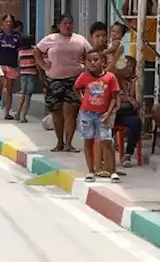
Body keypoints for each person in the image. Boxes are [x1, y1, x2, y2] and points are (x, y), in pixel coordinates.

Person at [36, 13, 94, 152]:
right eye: (65, 23)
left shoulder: (80, 40)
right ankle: (59, 142)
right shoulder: (50, 39)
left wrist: (87, 70)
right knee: (56, 112)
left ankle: (69, 143)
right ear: (58, 25)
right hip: (54, 80)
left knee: (71, 112)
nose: (67, 26)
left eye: (70, 23)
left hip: (74, 81)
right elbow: (37, 51)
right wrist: (43, 66)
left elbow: (90, 54)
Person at [75, 52, 122, 182]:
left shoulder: (110, 77)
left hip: (103, 115)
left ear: (103, 61)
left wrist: (109, 112)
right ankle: (91, 171)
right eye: (89, 61)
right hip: (86, 114)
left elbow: (114, 96)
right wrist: (82, 99)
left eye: (96, 60)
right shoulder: (84, 76)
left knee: (107, 141)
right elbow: (76, 88)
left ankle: (112, 171)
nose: (92, 63)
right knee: (88, 140)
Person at [113, 55, 143, 168]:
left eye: (132, 67)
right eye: (128, 66)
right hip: (114, 113)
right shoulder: (114, 78)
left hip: (126, 113)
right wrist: (129, 98)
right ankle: (106, 152)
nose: (130, 69)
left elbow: (136, 101)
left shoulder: (132, 81)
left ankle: (128, 154)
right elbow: (118, 96)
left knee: (136, 123)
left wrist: (133, 84)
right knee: (106, 125)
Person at [0, 14, 22, 120]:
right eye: (6, 21)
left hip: (12, 65)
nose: (8, 23)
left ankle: (7, 112)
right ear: (3, 23)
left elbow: (20, 51)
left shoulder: (17, 37)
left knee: (9, 90)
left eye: (10, 22)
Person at [15, 34, 39, 123]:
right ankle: (23, 117)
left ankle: (17, 113)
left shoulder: (20, 52)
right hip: (32, 75)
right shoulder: (33, 50)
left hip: (23, 74)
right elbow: (37, 63)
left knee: (23, 95)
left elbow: (18, 63)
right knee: (28, 96)